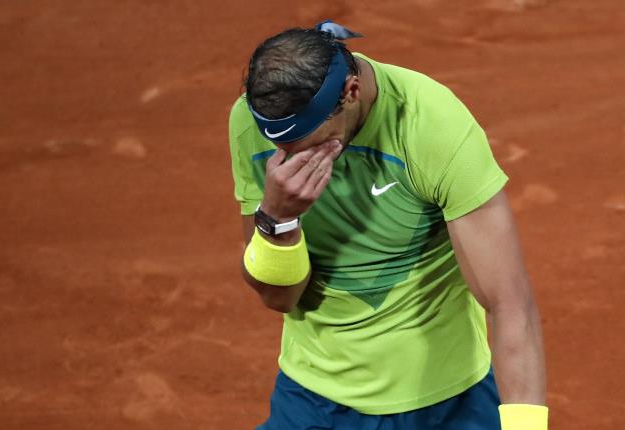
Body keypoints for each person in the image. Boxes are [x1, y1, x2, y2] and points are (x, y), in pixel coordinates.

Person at [228, 20, 548, 430]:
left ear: (351, 93)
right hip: (314, 400)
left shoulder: (431, 127)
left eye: (308, 142)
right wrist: (277, 219)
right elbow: (279, 297)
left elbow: (509, 303)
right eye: (279, 146)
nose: (290, 158)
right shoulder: (253, 124)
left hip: (448, 405)